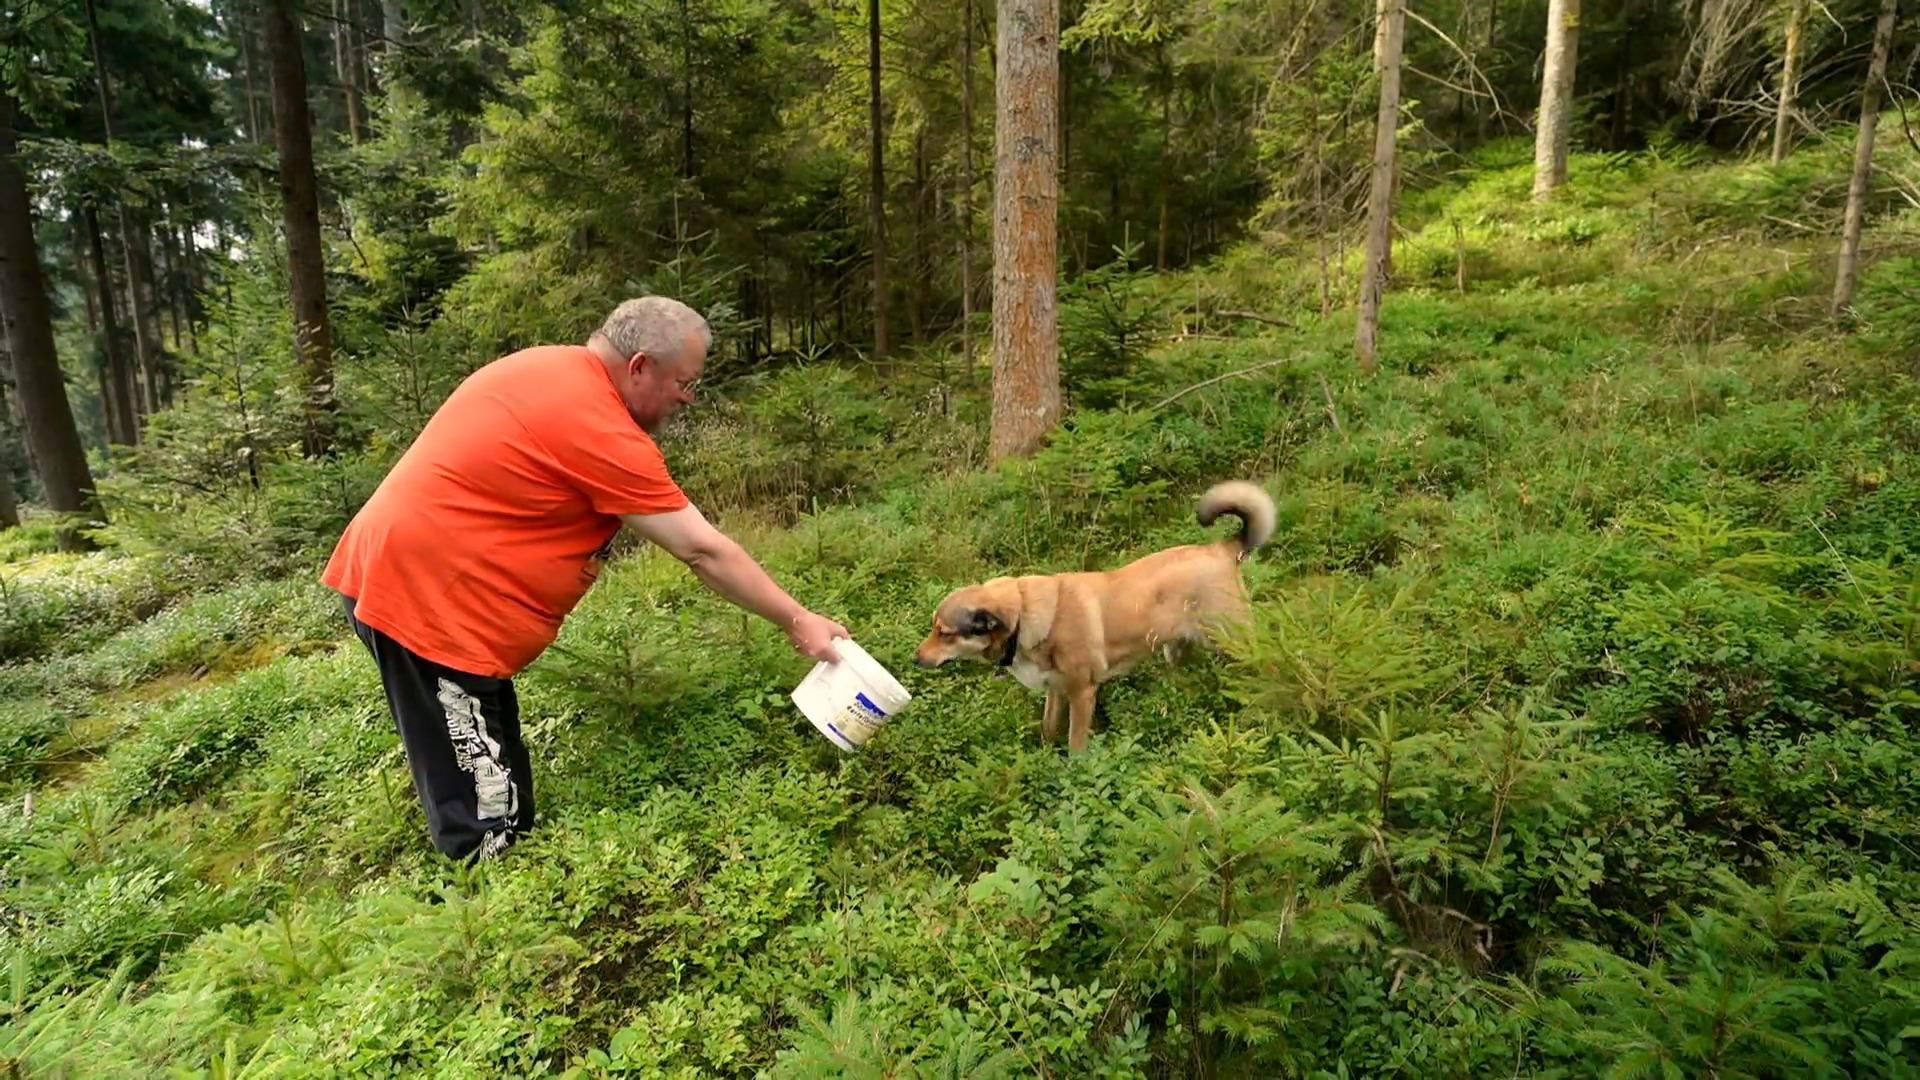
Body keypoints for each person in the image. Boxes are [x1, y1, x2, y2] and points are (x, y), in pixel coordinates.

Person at [321, 296, 849, 861]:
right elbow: (702, 550)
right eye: (683, 383)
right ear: (640, 365)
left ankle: (511, 867)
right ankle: (491, 920)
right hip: (426, 603)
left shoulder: (548, 368)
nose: (687, 399)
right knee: (484, 810)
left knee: (488, 760)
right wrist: (798, 619)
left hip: (435, 593)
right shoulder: (595, 422)